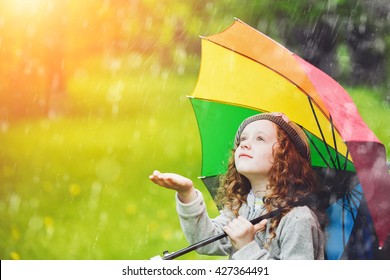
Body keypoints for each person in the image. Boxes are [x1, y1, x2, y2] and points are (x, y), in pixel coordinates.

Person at [149, 112, 326, 259]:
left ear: (287, 158)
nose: (245, 144)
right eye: (243, 139)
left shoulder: (298, 219)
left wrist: (246, 246)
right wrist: (187, 194)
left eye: (260, 139)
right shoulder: (243, 208)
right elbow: (205, 241)